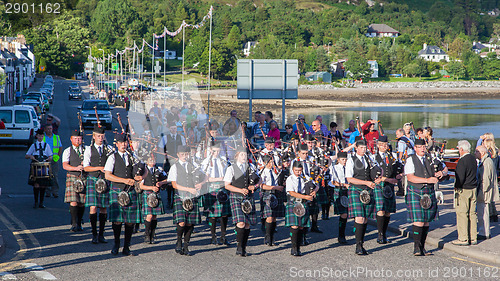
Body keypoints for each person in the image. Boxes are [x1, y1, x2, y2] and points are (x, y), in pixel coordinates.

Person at [405, 139, 448, 256]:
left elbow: (445, 167)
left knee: (426, 221)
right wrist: (427, 180)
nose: (423, 149)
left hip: (428, 191)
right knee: (419, 221)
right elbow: (410, 178)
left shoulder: (431, 157)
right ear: (415, 148)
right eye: (420, 147)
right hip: (416, 191)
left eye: (424, 146)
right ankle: (416, 248)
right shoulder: (410, 159)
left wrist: (442, 173)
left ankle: (423, 247)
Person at [104, 133, 145, 256]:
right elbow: (107, 175)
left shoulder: (133, 156)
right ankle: (116, 244)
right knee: (117, 221)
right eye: (121, 143)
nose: (123, 145)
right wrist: (124, 180)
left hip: (131, 191)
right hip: (117, 190)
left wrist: (141, 177)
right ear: (116, 144)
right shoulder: (112, 157)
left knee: (130, 222)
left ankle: (126, 246)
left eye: (125, 143)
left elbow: (146, 171)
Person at [168, 145, 206, 256]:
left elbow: (205, 176)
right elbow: (174, 185)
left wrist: (201, 184)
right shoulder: (174, 167)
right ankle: (179, 241)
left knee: (190, 222)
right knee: (182, 222)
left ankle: (186, 246)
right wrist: (189, 189)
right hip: (180, 196)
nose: (185, 156)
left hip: (192, 196)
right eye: (182, 154)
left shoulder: (193, 165)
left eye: (186, 154)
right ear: (178, 155)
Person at [224, 147, 259, 257]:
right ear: (236, 156)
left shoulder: (251, 167)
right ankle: (239, 246)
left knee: (247, 224)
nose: (244, 157)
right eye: (242, 155)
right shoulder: (231, 169)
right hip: (236, 197)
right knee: (241, 223)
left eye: (245, 155)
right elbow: (227, 185)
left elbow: (260, 179)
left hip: (248, 198)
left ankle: (244, 246)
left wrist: (255, 186)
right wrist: (240, 190)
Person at [345, 139, 378, 255]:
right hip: (356, 190)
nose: (364, 150)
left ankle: (362, 244)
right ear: (356, 148)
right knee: (359, 218)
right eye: (362, 148)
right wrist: (366, 183)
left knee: (364, 219)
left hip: (368, 190)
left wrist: (378, 177)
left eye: (365, 148)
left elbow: (377, 171)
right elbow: (349, 179)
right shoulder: (351, 160)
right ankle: (358, 246)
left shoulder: (370, 159)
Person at [83, 125, 111, 244]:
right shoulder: (88, 150)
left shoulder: (109, 149)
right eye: (98, 136)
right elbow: (86, 167)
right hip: (93, 179)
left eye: (102, 136)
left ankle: (101, 234)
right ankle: (94, 234)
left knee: (104, 208)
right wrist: (99, 168)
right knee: (93, 207)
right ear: (94, 137)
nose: (100, 138)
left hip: (105, 181)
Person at [201, 142, 231, 246]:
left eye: (218, 151)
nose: (216, 153)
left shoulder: (223, 160)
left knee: (224, 214)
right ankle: (213, 236)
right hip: (212, 187)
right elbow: (205, 178)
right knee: (212, 215)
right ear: (210, 150)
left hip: (223, 187)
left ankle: (223, 236)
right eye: (214, 151)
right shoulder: (206, 162)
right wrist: (219, 179)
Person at [285, 161, 317, 256]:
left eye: (299, 170)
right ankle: (294, 248)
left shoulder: (305, 178)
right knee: (294, 226)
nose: (298, 172)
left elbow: (316, 186)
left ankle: (298, 247)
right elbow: (291, 192)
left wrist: (314, 191)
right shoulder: (290, 179)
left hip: (303, 203)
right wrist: (306, 197)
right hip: (293, 202)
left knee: (301, 226)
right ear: (292, 169)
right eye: (296, 170)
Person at [372, 135, 400, 244]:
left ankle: (384, 233)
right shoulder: (373, 157)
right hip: (380, 185)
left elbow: (397, 168)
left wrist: (399, 175)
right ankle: (380, 234)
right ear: (378, 145)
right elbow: (374, 173)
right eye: (382, 145)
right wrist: (387, 179)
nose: (384, 146)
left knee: (388, 212)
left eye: (386, 144)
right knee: (381, 210)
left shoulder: (392, 156)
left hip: (390, 186)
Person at [452, 140, 478, 246]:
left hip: (464, 189)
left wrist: (456, 187)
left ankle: (463, 238)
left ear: (461, 149)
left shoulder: (462, 161)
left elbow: (460, 177)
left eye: (458, 149)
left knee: (462, 214)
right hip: (473, 188)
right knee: (472, 214)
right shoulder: (473, 158)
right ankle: (473, 237)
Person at [62, 130, 87, 232]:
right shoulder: (67, 151)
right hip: (72, 176)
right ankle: (74, 223)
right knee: (73, 201)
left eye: (79, 138)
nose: (77, 140)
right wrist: (76, 168)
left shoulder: (87, 150)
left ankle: (80, 221)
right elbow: (64, 165)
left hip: (84, 177)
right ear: (71, 139)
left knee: (81, 202)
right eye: (75, 138)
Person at [140, 154, 167, 244]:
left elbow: (168, 179)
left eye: (153, 160)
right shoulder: (143, 171)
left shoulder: (159, 169)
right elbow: (141, 186)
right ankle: (147, 234)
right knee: (149, 215)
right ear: (146, 161)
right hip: (147, 194)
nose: (152, 162)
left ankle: (152, 234)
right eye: (150, 160)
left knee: (154, 216)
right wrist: (151, 188)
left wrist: (160, 183)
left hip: (156, 195)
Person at [259, 154, 285, 246]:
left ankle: (272, 236)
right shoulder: (263, 172)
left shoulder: (275, 171)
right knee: (269, 217)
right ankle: (267, 237)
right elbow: (262, 185)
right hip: (267, 194)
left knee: (274, 217)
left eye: (272, 162)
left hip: (276, 193)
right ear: (265, 163)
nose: (271, 164)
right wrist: (275, 187)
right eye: (269, 162)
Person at [475, 145, 499, 240]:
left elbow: (486, 179)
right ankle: (484, 232)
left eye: (477, 151)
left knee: (483, 213)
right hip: (485, 191)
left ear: (482, 153)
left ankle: (484, 233)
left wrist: (482, 191)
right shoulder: (486, 160)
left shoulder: (486, 162)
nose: (475, 153)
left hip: (484, 192)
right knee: (483, 212)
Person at [25, 128, 53, 208]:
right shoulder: (33, 145)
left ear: (43, 136)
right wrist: (31, 156)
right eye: (39, 136)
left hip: (44, 165)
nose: (40, 137)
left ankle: (41, 202)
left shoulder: (46, 145)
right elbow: (26, 155)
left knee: (43, 185)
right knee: (36, 184)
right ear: (36, 136)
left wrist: (48, 159)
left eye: (41, 136)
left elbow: (50, 156)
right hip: (35, 165)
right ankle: (36, 202)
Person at [330, 151, 349, 244]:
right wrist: (343, 184)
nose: (344, 161)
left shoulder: (349, 167)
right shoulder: (334, 168)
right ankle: (341, 235)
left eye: (346, 159)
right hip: (340, 190)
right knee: (344, 214)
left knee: (352, 213)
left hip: (349, 191)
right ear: (338, 160)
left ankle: (357, 230)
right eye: (342, 159)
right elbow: (333, 181)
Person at [43, 123, 63, 198]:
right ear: (45, 130)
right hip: (45, 159)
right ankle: (47, 192)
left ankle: (55, 192)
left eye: (50, 128)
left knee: (54, 176)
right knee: (46, 176)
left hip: (54, 160)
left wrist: (58, 156)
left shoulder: (56, 137)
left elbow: (60, 147)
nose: (49, 130)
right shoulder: (43, 137)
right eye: (48, 129)